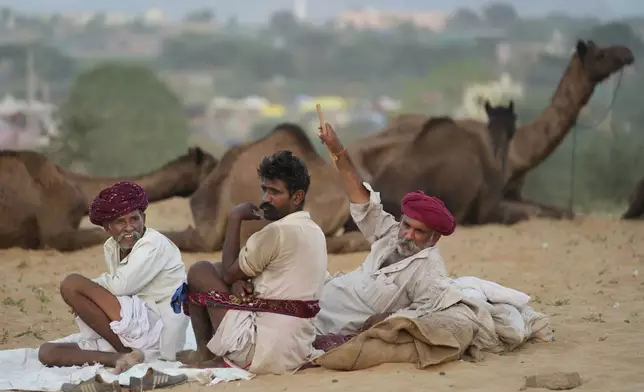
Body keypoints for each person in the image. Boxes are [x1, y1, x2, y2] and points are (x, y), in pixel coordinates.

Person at [177, 150, 328, 375]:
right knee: (216, 270)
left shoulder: (275, 232)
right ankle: (209, 351)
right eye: (264, 189)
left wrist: (235, 218)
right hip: (295, 349)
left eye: (275, 192)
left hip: (261, 352)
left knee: (199, 271)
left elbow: (228, 274)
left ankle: (206, 353)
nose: (266, 198)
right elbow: (251, 274)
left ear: (296, 197)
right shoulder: (314, 230)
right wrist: (238, 280)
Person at [313, 123, 457, 341]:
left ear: (434, 238)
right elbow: (360, 197)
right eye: (406, 226)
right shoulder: (390, 233)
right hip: (320, 295)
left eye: (419, 232)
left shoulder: (429, 271)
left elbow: (429, 313)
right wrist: (336, 148)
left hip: (326, 325)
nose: (408, 235)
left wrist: (387, 317)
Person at [38, 181, 189, 374]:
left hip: (158, 330)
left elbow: (120, 287)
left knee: (72, 284)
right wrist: (89, 298)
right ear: (107, 227)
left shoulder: (153, 244)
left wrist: (89, 292)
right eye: (120, 222)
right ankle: (121, 357)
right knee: (47, 353)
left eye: (134, 219)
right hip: (134, 328)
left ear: (143, 218)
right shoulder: (112, 246)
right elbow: (120, 291)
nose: (129, 228)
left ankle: (125, 350)